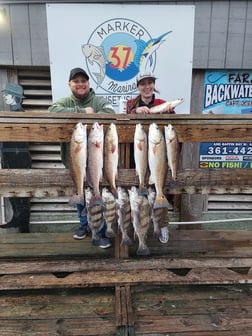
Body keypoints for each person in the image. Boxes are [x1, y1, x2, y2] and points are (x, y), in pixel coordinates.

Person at [48, 67, 115, 248]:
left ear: (88, 83)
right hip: (74, 160)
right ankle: (84, 225)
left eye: (83, 81)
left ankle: (99, 232)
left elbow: (110, 112)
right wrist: (83, 112)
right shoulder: (64, 102)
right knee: (79, 192)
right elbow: (52, 111)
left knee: (95, 192)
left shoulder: (98, 100)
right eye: (76, 81)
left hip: (96, 161)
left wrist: (93, 114)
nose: (80, 84)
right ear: (69, 84)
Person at [127, 71, 176, 244]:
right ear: (138, 86)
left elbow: (172, 128)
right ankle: (139, 227)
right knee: (138, 197)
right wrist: (134, 111)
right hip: (138, 157)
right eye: (143, 84)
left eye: (150, 83)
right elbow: (124, 121)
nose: (147, 87)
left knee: (158, 192)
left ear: (154, 85)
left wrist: (170, 112)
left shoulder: (163, 104)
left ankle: (162, 226)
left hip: (157, 155)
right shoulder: (131, 104)